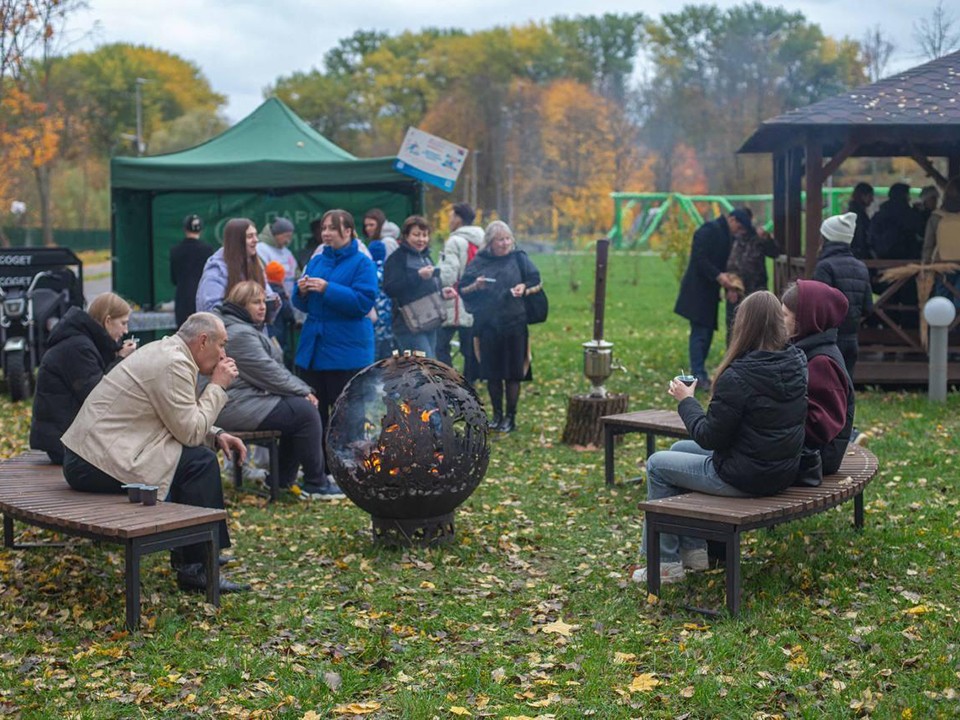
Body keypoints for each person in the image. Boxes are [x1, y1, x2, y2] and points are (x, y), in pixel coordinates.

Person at [60, 313, 250, 593]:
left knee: (194, 460)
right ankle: (196, 567)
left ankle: (200, 551)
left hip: (95, 453)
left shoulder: (168, 352)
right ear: (203, 341)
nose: (224, 354)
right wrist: (218, 387)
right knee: (199, 463)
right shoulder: (173, 363)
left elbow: (177, 416)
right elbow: (190, 433)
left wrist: (217, 433)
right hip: (92, 462)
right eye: (222, 345)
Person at [633, 291, 807, 585]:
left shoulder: (738, 376)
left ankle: (664, 563)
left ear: (743, 326)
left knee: (657, 464)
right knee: (678, 448)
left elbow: (708, 437)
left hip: (745, 477)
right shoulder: (796, 361)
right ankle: (694, 551)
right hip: (780, 470)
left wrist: (686, 400)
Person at [215, 281, 343, 499]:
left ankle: (280, 480)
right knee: (304, 412)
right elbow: (268, 372)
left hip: (240, 401)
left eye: (263, 301)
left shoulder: (241, 328)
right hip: (232, 405)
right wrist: (303, 390)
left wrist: (297, 391)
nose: (262, 307)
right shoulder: (239, 334)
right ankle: (316, 483)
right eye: (255, 302)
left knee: (295, 411)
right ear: (240, 305)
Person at [294, 209, 377, 481]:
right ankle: (319, 469)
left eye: (332, 228)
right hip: (314, 349)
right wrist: (302, 290)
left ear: (348, 231)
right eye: (324, 228)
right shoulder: (317, 259)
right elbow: (299, 302)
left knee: (347, 414)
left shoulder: (362, 263)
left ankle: (348, 468)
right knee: (313, 411)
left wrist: (328, 289)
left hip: (347, 351)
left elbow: (363, 303)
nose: (326, 233)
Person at [30, 293, 138, 464]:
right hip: (65, 443)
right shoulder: (78, 347)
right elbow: (97, 395)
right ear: (107, 321)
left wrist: (115, 354)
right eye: (123, 323)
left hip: (66, 436)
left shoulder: (83, 342)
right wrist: (120, 360)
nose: (126, 331)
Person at [460, 220, 542, 433]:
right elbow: (463, 288)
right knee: (492, 373)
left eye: (507, 239)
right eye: (500, 240)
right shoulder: (480, 261)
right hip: (488, 325)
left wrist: (523, 287)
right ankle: (496, 416)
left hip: (515, 323)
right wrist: (476, 285)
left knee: (513, 373)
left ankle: (510, 418)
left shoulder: (519, 258)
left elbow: (535, 279)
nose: (505, 243)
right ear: (490, 243)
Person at [673, 208, 752, 390]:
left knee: (706, 333)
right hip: (698, 291)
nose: (738, 230)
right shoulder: (709, 230)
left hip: (709, 292)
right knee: (700, 334)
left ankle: (700, 373)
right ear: (731, 219)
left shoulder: (724, 233)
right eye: (738, 226)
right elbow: (699, 259)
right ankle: (697, 374)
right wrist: (719, 276)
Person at [781, 280, 853, 477]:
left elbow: (821, 428)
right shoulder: (806, 350)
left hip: (814, 462)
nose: (780, 320)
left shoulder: (822, 362)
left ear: (805, 319)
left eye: (785, 315)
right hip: (797, 455)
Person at [812, 212, 874, 379]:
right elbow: (868, 308)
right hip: (852, 338)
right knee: (847, 388)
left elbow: (817, 306)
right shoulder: (861, 267)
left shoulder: (825, 267)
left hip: (828, 340)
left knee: (829, 389)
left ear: (825, 239)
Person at [383, 215, 450, 358]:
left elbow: (426, 287)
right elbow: (390, 288)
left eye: (425, 235)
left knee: (428, 364)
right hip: (408, 324)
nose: (421, 239)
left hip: (430, 319)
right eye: (416, 235)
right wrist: (417, 276)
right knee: (425, 365)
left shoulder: (426, 256)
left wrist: (442, 292)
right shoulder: (397, 258)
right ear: (406, 236)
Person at [438, 202, 484, 381]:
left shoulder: (454, 241)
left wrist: (437, 279)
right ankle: (470, 381)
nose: (449, 221)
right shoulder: (483, 240)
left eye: (451, 217)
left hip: (455, 299)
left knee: (440, 345)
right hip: (477, 298)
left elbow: (449, 273)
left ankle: (450, 381)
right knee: (470, 346)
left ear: (458, 218)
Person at [196, 217, 279, 315]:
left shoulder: (256, 266)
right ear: (236, 240)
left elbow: (267, 295)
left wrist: (272, 303)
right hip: (226, 329)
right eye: (249, 236)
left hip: (255, 330)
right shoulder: (217, 270)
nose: (256, 240)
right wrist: (241, 319)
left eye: (256, 235)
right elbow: (211, 310)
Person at [723, 212, 780, 342]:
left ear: (739, 222)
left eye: (732, 220)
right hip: (736, 290)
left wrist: (767, 239)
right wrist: (730, 288)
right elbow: (728, 266)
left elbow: (775, 252)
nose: (729, 223)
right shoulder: (729, 239)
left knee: (757, 327)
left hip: (756, 290)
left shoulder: (757, 239)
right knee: (734, 328)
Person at [921, 176, 960, 308]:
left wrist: (925, 266)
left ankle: (943, 327)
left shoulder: (936, 217)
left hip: (942, 265)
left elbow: (928, 245)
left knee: (942, 299)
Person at [170, 214, 214, 328]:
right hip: (202, 298)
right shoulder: (208, 250)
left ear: (185, 229)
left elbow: (174, 278)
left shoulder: (175, 250)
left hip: (183, 300)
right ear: (201, 230)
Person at [869, 183, 924, 261]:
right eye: (908, 195)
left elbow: (871, 236)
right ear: (904, 196)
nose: (910, 198)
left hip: (882, 257)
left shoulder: (880, 213)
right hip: (906, 257)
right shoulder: (907, 214)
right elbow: (920, 229)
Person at [256, 218, 299, 300]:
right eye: (286, 236)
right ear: (276, 234)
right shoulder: (261, 249)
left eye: (290, 236)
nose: (288, 240)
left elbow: (296, 273)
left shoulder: (286, 252)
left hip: (288, 297)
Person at [264, 260, 295, 365]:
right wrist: (293, 319)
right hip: (279, 333)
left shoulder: (265, 290)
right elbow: (288, 313)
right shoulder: (280, 293)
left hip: (267, 331)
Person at [848, 182, 875, 260]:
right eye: (870, 196)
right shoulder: (858, 215)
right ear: (863, 196)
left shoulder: (853, 212)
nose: (872, 200)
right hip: (859, 254)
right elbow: (861, 236)